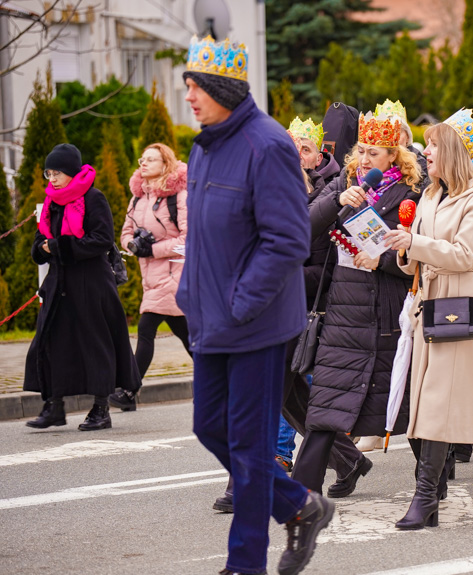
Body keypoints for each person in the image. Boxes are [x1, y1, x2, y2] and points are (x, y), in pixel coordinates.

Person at [177, 35, 331, 575]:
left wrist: (242, 302)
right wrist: (189, 294)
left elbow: (288, 239)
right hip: (212, 318)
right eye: (187, 86)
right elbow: (203, 237)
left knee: (246, 444)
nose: (189, 96)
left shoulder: (267, 145)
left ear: (221, 88)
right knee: (209, 428)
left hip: (258, 322)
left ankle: (245, 564)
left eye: (195, 86)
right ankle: (299, 504)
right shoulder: (202, 146)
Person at [384, 108, 473, 529]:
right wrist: (399, 246)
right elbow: (419, 256)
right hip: (429, 300)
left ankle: (425, 497)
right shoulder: (431, 194)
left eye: (432, 145)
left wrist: (416, 242)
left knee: (435, 400)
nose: (425, 152)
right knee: (466, 399)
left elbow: (467, 255)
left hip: (460, 302)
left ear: (453, 152)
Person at [292, 110, 422, 493]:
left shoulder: (411, 194)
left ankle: (434, 477)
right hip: (343, 313)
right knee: (327, 405)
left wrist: (381, 261)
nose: (365, 160)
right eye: (362, 151)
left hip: (386, 313)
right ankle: (304, 492)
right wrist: (337, 202)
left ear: (394, 156)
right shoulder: (345, 185)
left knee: (406, 403)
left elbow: (417, 260)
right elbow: (301, 228)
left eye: (375, 153)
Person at [24, 144, 141, 431]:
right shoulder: (52, 201)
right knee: (48, 342)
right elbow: (42, 238)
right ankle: (54, 406)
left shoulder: (93, 197)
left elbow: (101, 239)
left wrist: (58, 247)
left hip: (91, 284)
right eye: (48, 172)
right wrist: (41, 249)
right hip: (59, 283)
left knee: (95, 345)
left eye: (57, 172)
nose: (51, 178)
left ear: (71, 172)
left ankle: (101, 409)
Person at [110, 143, 190, 412]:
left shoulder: (178, 197)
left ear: (165, 163)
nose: (143, 164)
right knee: (187, 335)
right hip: (151, 276)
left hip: (175, 273)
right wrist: (133, 244)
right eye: (142, 159)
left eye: (151, 160)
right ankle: (221, 384)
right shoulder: (139, 197)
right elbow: (126, 230)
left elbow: (188, 239)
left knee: (146, 329)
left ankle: (129, 391)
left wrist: (153, 249)